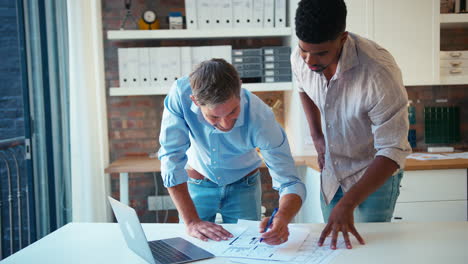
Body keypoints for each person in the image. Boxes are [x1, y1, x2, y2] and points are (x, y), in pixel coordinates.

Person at [292, 0, 411, 249]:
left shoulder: (378, 72)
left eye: (321, 53)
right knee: (334, 248)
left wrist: (348, 203)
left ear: (343, 38)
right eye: (305, 50)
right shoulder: (301, 55)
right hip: (332, 172)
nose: (309, 60)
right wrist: (317, 137)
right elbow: (303, 89)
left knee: (370, 249)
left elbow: (393, 150)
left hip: (373, 173)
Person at [158, 58, 306, 245]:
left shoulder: (261, 118)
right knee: (192, 247)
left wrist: (283, 218)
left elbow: (290, 181)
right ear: (195, 101)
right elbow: (171, 157)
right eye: (214, 116)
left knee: (247, 251)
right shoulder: (180, 94)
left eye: (233, 111)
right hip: (197, 183)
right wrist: (191, 221)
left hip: (244, 187)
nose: (226, 124)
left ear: (239, 90)